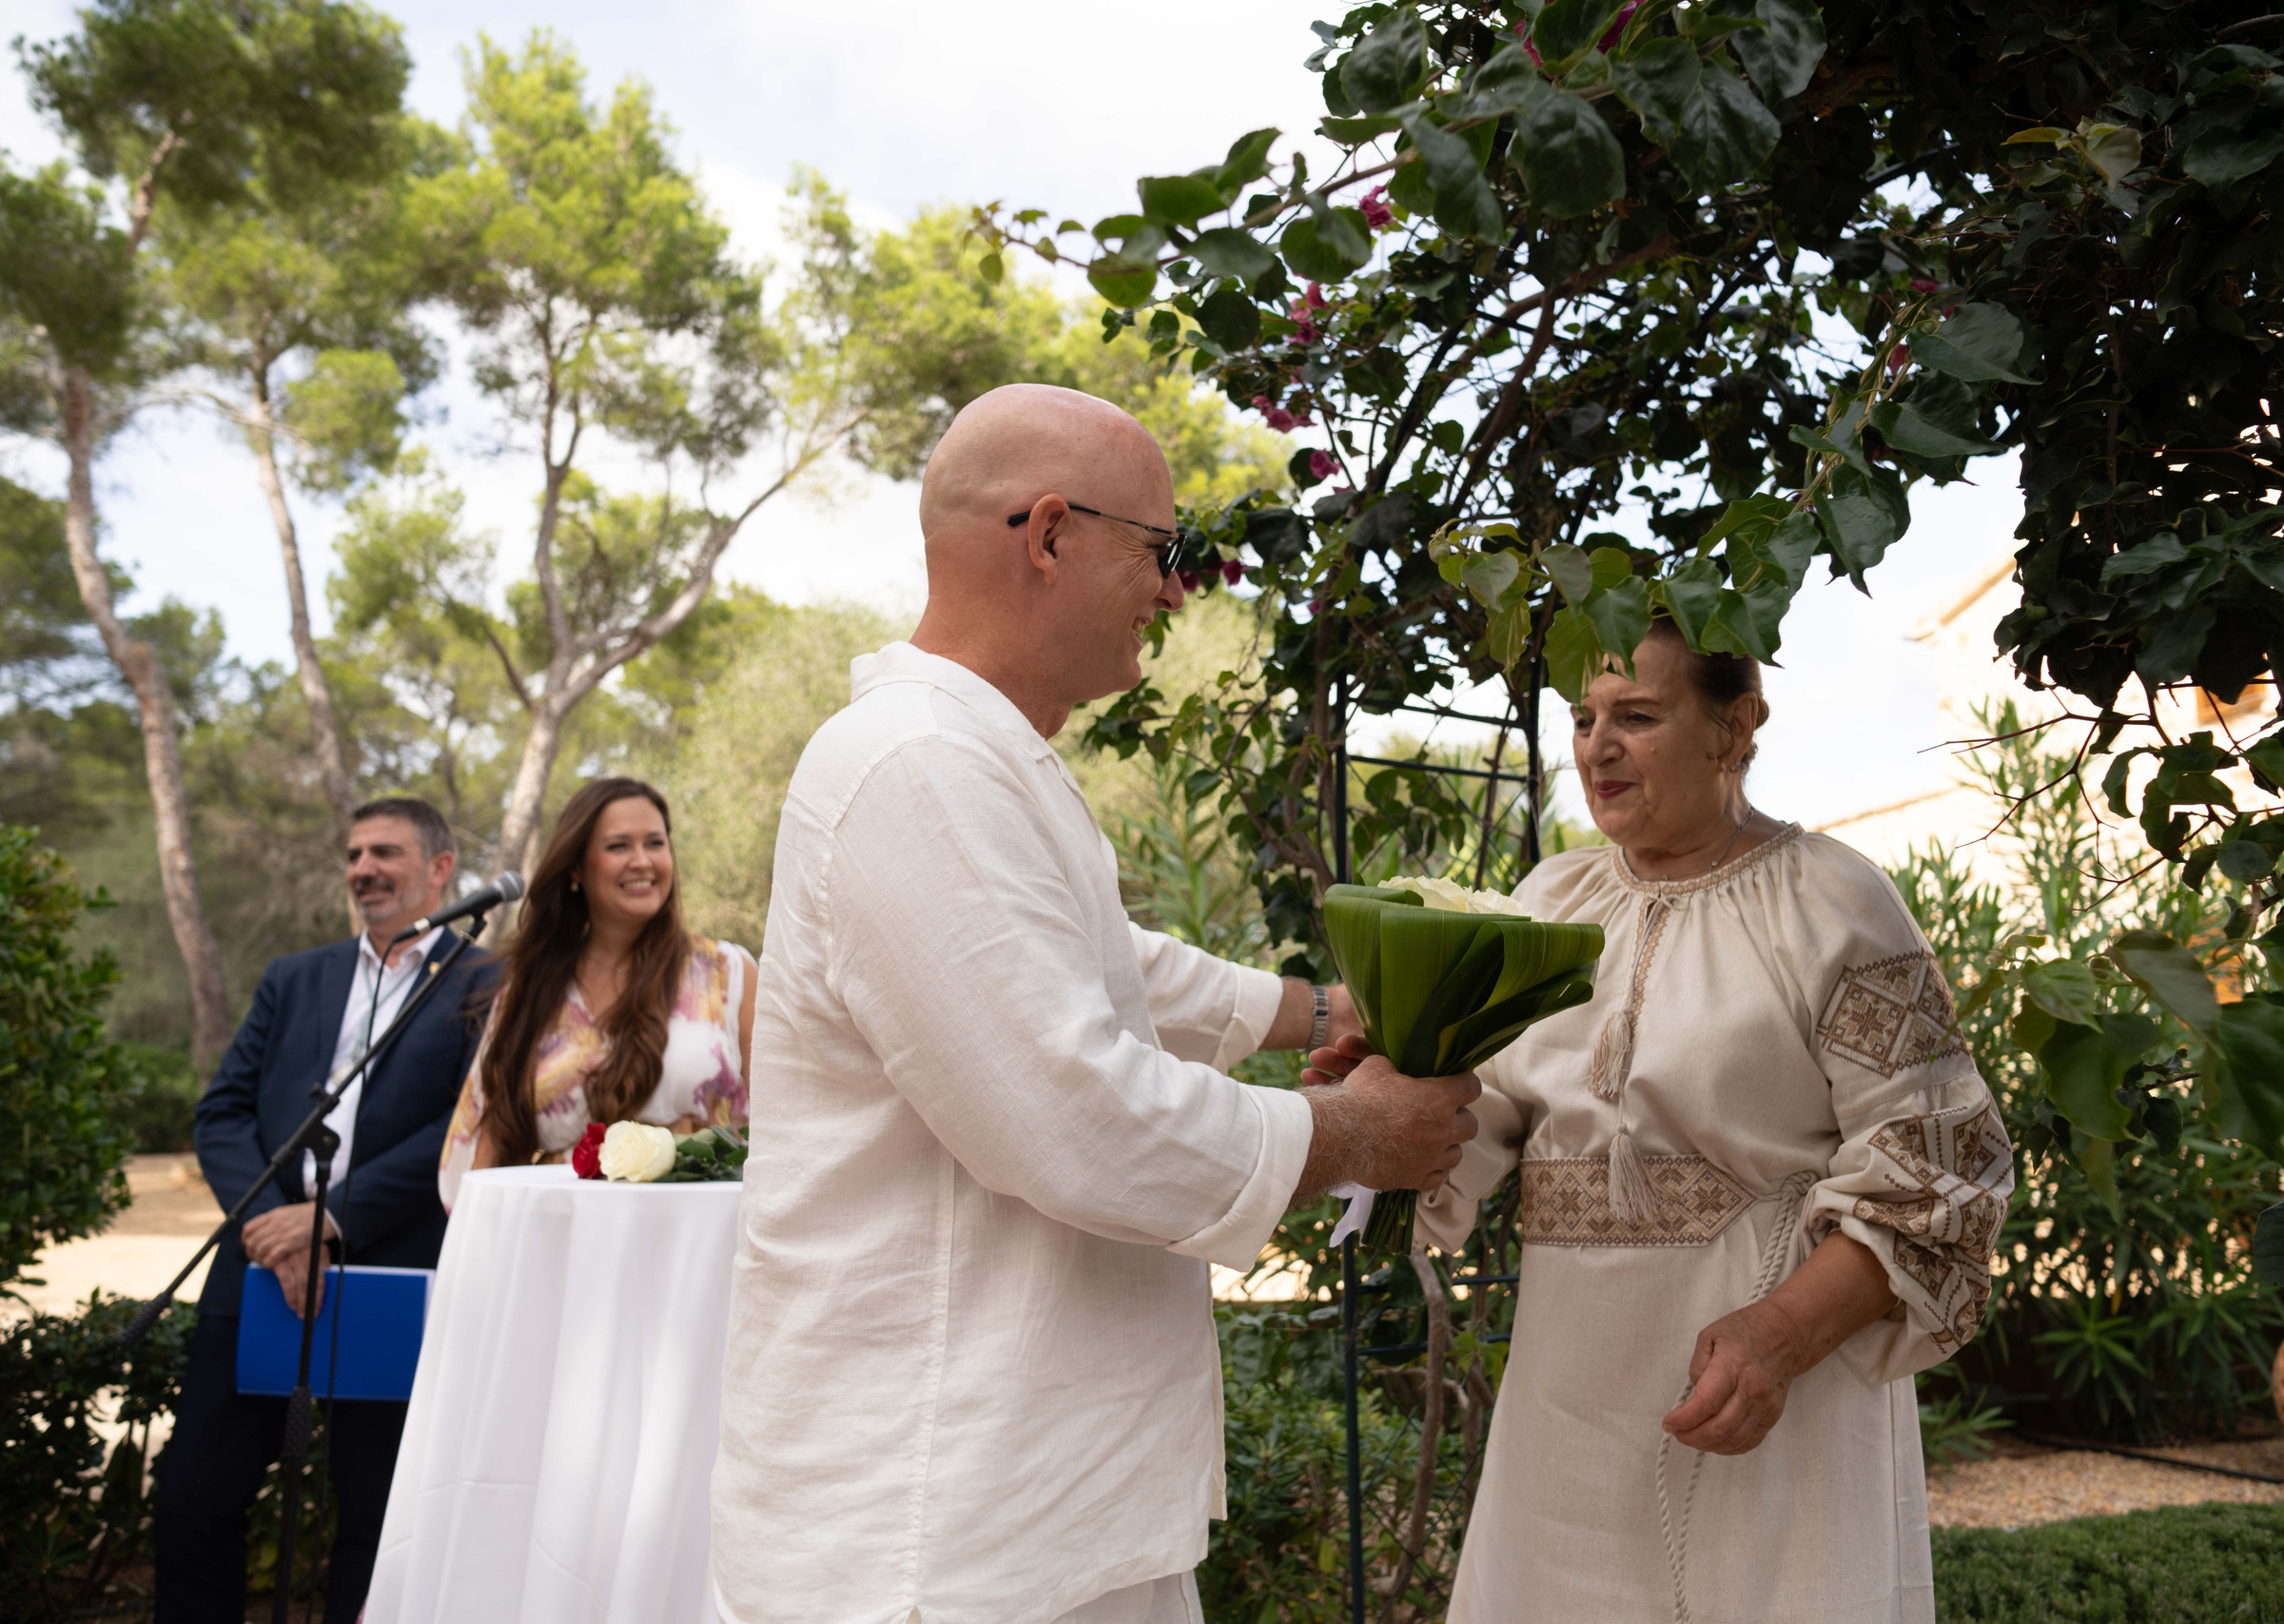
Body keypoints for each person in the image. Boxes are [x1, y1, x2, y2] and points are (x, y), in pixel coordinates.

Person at [712, 383, 1480, 1624]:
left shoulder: (967, 754)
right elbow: (1069, 1111)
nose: (1175, 593)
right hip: (940, 1526)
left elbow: (1098, 961)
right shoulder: (919, 763)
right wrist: (1350, 1135)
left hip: (1022, 1499)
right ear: (1051, 533)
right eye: (1161, 550)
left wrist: (1316, 1007)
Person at [1316, 622, 2013, 1623]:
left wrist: (1780, 1337)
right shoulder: (1549, 906)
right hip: (1566, 1411)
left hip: (1768, 1407)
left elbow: (1943, 1175)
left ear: (1736, 727)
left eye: (1637, 716)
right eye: (1583, 718)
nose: (1598, 747)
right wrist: (1382, 1111)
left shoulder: (1832, 903)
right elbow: (1476, 1128)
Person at [156, 797, 498, 1624]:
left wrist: (331, 1217)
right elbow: (223, 1113)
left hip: (393, 1270)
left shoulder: (489, 981)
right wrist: (275, 1228)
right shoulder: (294, 976)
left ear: (441, 869)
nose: (363, 869)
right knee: (193, 1498)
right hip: (260, 1270)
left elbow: (471, 1123)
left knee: (376, 1520)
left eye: (384, 852)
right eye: (353, 855)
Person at [438, 776, 753, 1204]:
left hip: (692, 1223)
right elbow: (490, 1136)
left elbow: (781, 1123)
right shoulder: (530, 989)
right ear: (575, 867)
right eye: (618, 846)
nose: (642, 861)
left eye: (655, 843)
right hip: (562, 1226)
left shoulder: (728, 972)